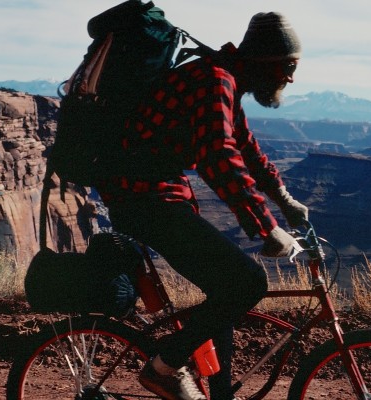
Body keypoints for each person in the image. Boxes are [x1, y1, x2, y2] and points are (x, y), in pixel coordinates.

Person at [97, 11, 308, 400]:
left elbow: (246, 148)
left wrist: (286, 200)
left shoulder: (225, 78)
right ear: (266, 60)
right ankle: (163, 369)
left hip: (154, 195)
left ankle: (219, 394)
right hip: (143, 198)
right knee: (247, 282)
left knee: (225, 289)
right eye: (289, 66)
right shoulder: (214, 79)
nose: (291, 77)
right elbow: (220, 157)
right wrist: (266, 227)